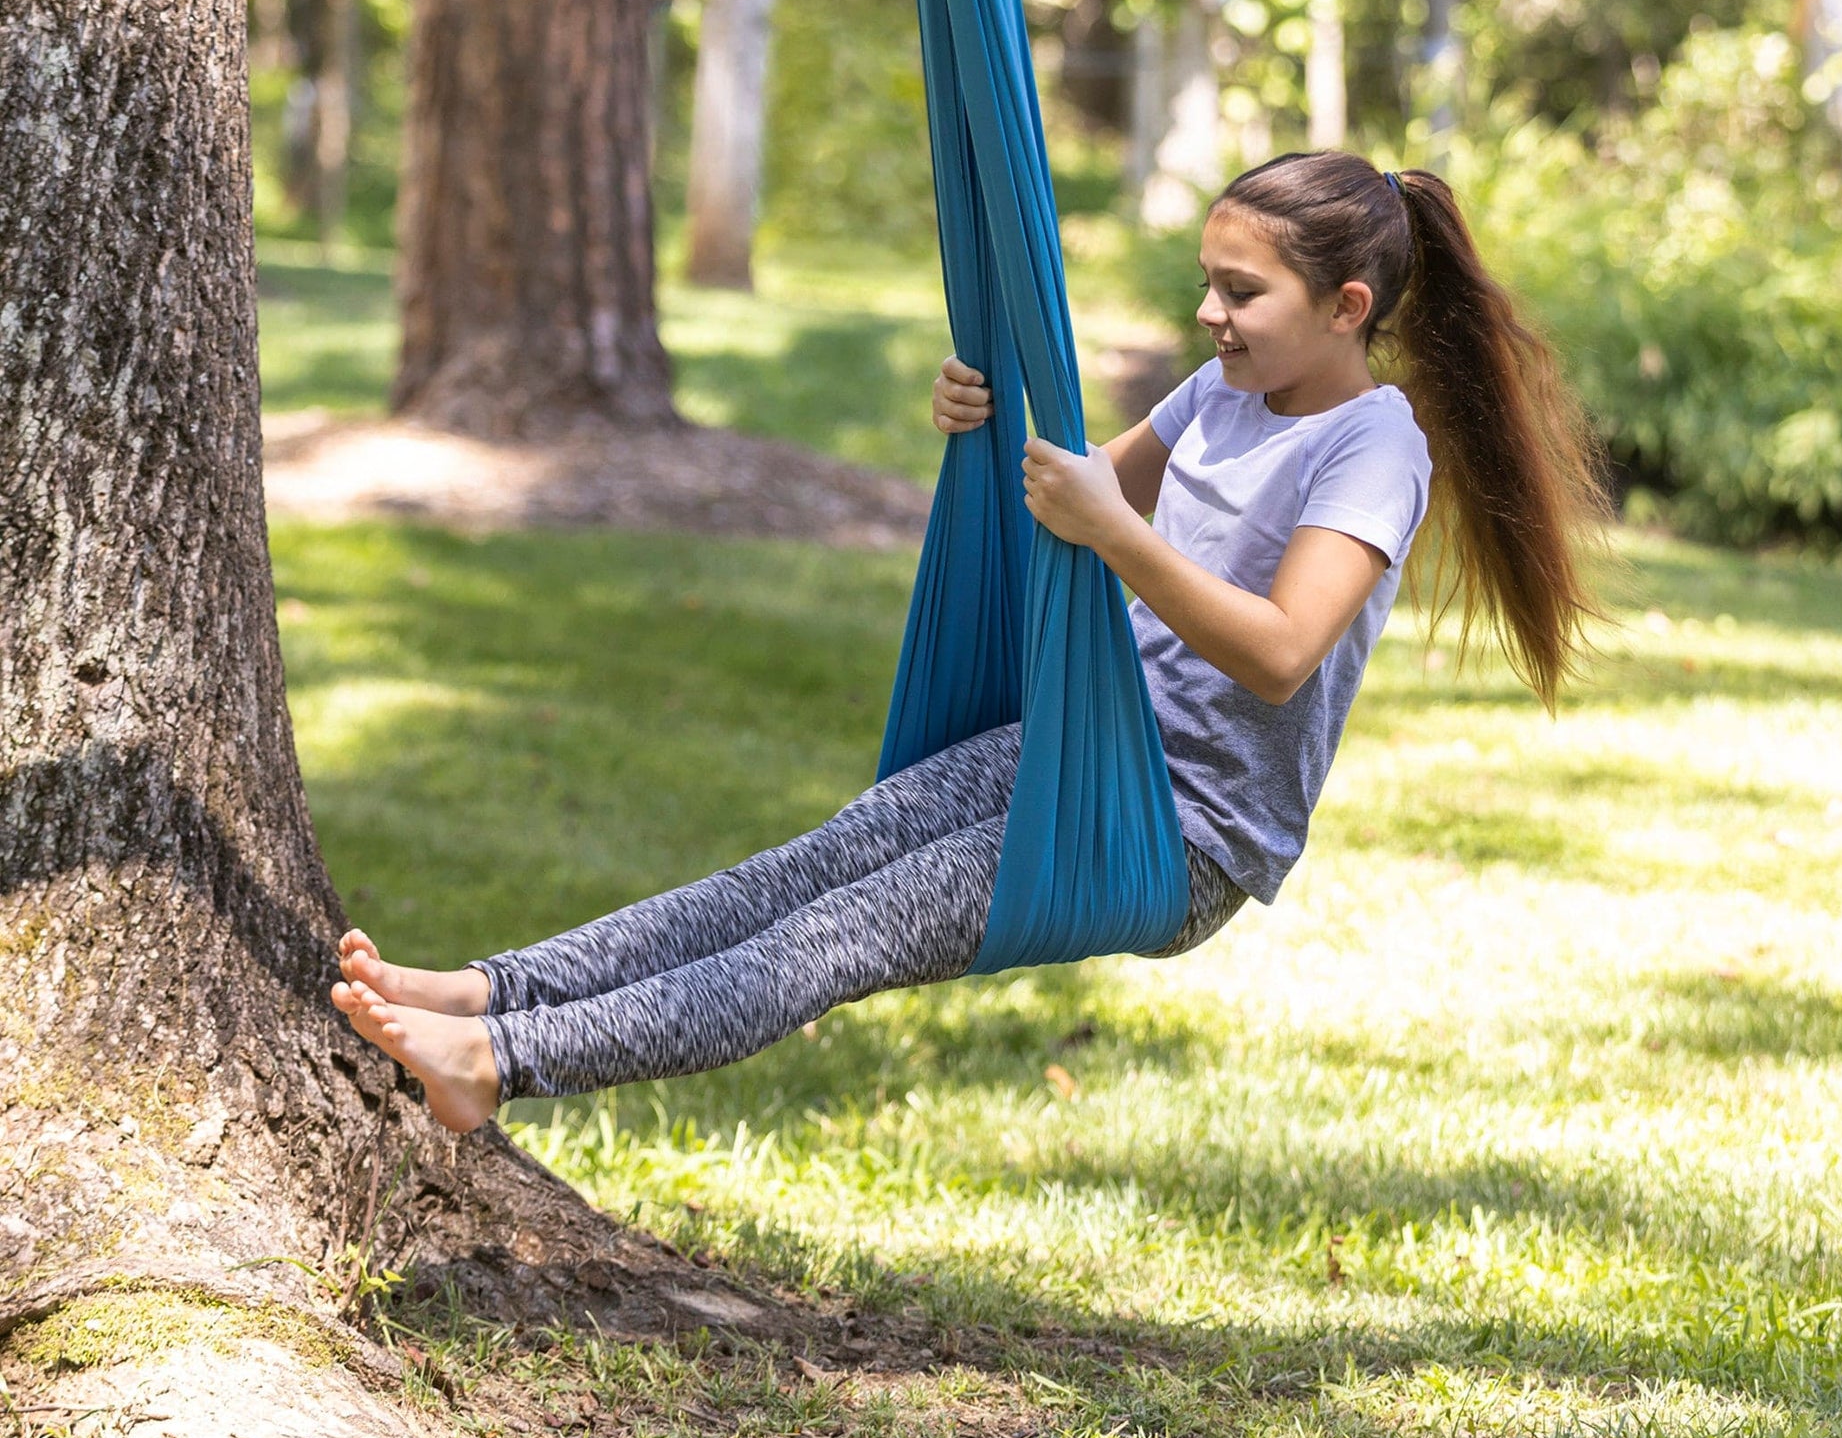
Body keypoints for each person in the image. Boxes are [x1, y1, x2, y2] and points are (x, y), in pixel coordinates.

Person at [332, 151, 1605, 1131]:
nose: (1207, 314)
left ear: (1345, 305)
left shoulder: (1372, 445)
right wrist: (977, 425)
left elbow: (1279, 650)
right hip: (1087, 740)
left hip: (1178, 831)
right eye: (1205, 281)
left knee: (829, 940)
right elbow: (1064, 494)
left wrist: (1113, 530)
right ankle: (493, 993)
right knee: (797, 873)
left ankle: (498, 1066)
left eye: (1240, 291)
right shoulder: (1220, 389)